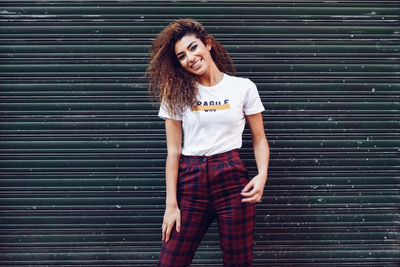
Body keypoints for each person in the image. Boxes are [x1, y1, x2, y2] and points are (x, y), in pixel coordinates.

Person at [147, 18, 270, 267]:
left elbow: (259, 138)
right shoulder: (176, 93)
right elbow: (173, 152)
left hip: (232, 179)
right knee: (170, 261)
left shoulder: (242, 88)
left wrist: (262, 175)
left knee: (238, 262)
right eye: (181, 56)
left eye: (193, 47)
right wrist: (171, 205)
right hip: (191, 182)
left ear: (208, 44)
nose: (190, 58)